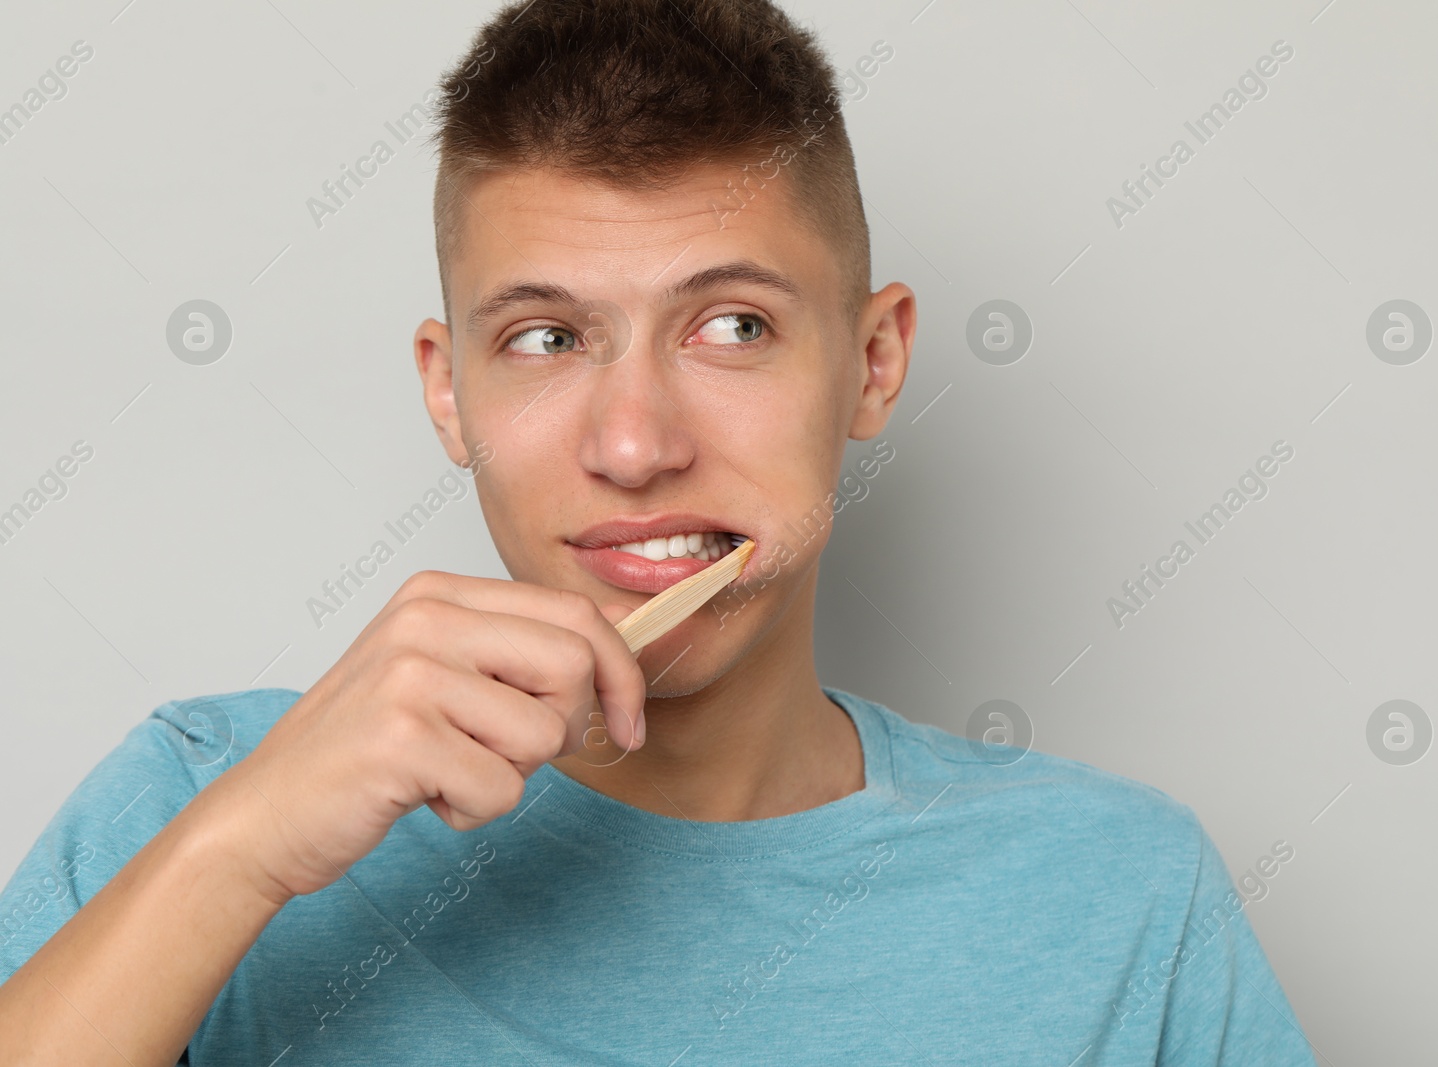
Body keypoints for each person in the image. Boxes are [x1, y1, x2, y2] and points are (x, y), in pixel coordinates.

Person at [0, 1, 1317, 1062]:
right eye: (546, 339)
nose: (635, 446)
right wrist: (236, 857)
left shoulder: (1118, 899)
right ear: (447, 392)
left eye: (732, 327)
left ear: (872, 363)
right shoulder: (197, 801)